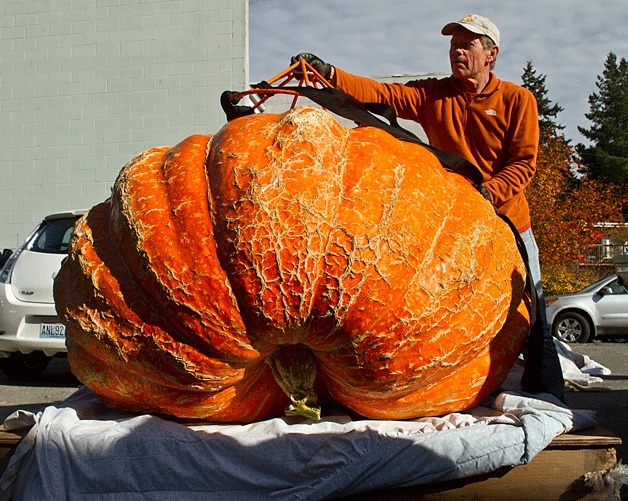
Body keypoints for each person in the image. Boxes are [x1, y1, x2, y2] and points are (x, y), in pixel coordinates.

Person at [291, 14, 565, 401]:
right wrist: (329, 74)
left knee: (534, 311)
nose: (457, 50)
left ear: (491, 54)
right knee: (452, 308)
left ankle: (551, 396)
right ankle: (461, 389)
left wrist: (489, 192)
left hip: (509, 222)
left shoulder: (518, 100)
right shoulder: (434, 95)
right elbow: (382, 94)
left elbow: (524, 163)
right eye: (454, 44)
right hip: (460, 225)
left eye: (468, 44)